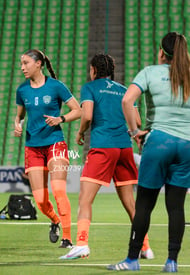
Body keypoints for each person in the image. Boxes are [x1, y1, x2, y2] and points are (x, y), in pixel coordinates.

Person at [108, 32, 190, 272]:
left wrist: (135, 132)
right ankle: (172, 262)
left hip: (158, 142)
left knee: (144, 205)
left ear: (161, 52)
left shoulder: (150, 72)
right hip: (186, 146)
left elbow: (126, 101)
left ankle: (132, 260)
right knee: (176, 207)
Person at [59, 54, 153, 260]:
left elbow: (88, 115)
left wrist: (80, 132)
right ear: (111, 71)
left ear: (93, 70)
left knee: (85, 199)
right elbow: (136, 120)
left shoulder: (90, 87)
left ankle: (82, 243)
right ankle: (145, 247)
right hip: (124, 149)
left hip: (103, 147)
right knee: (130, 202)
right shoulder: (123, 90)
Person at [14, 49, 81, 248]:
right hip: (32, 147)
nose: (22, 67)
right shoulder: (22, 90)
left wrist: (60, 119)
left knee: (59, 191)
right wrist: (17, 124)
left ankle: (68, 238)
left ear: (38, 64)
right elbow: (20, 115)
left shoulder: (56, 86)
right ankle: (55, 220)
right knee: (41, 201)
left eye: (25, 63)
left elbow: (78, 110)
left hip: (55, 144)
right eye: (21, 64)